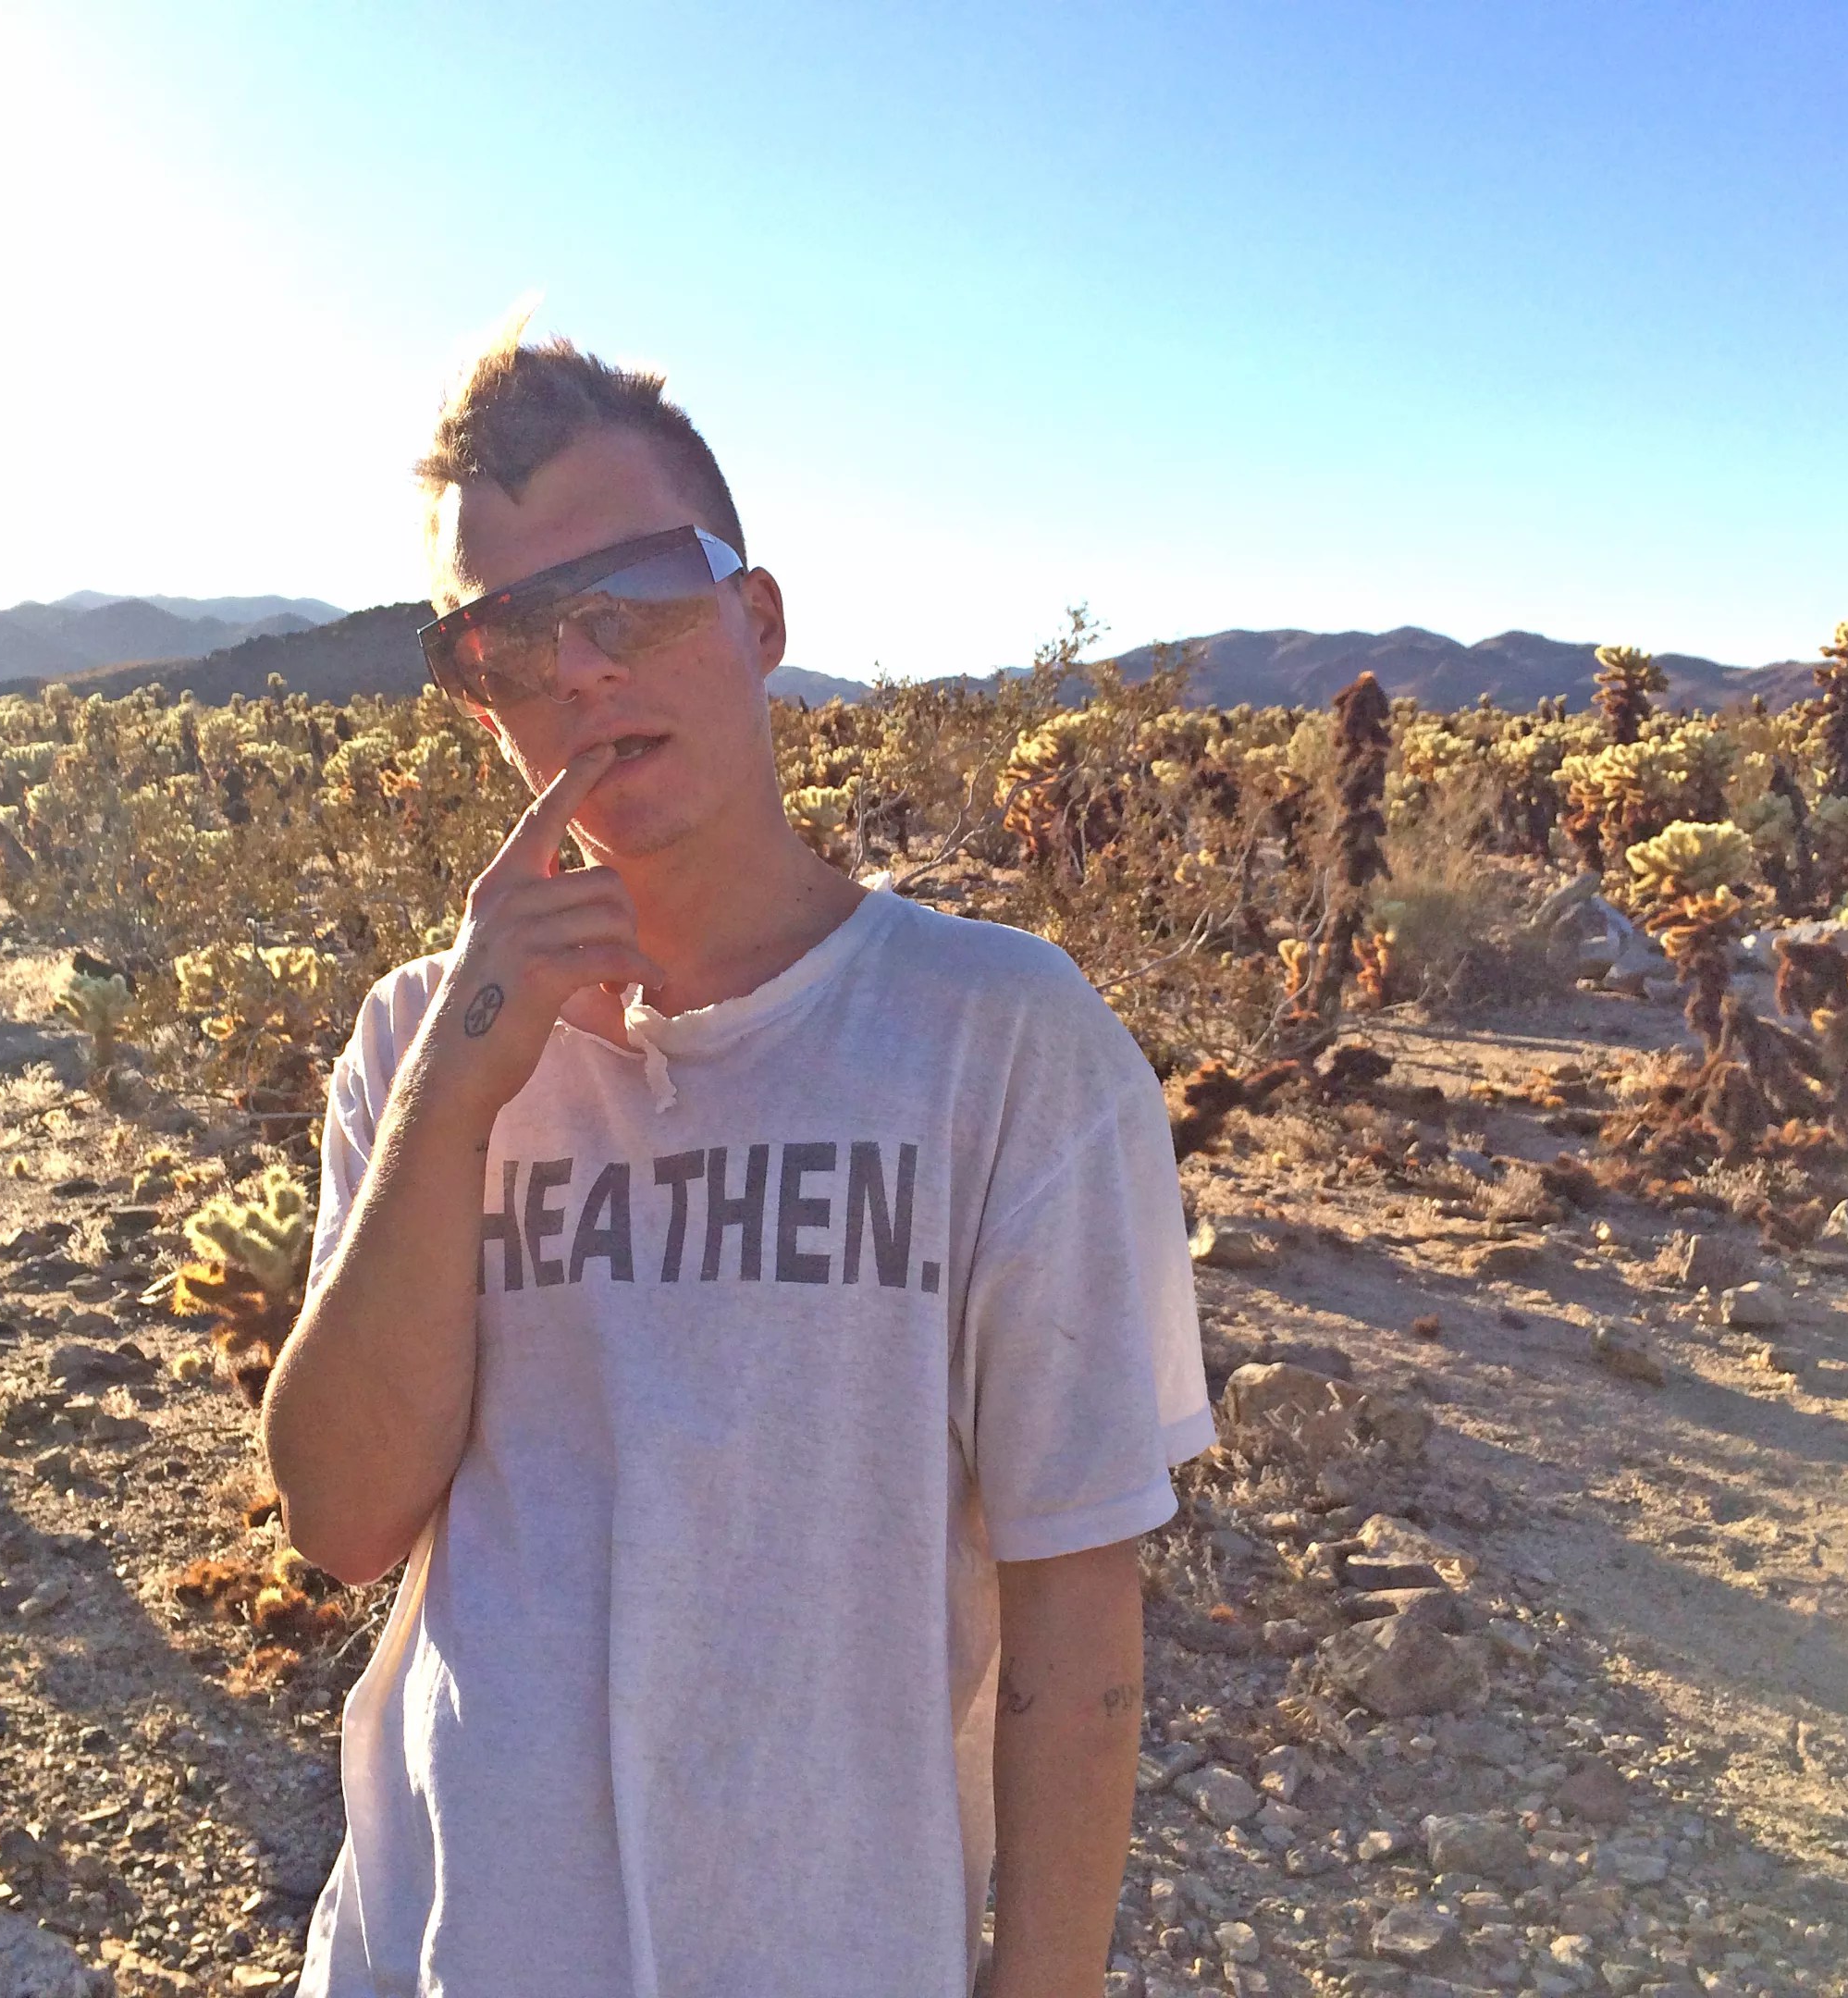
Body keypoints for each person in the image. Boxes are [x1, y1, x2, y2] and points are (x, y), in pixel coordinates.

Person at [264, 333, 1212, 1998]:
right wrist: (455, 1094)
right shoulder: (423, 1033)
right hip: (441, 1950)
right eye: (506, 637)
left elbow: (1079, 1602)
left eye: (632, 596)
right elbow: (340, 1517)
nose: (579, 668)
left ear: (757, 619)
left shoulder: (999, 1042)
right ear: (477, 696)